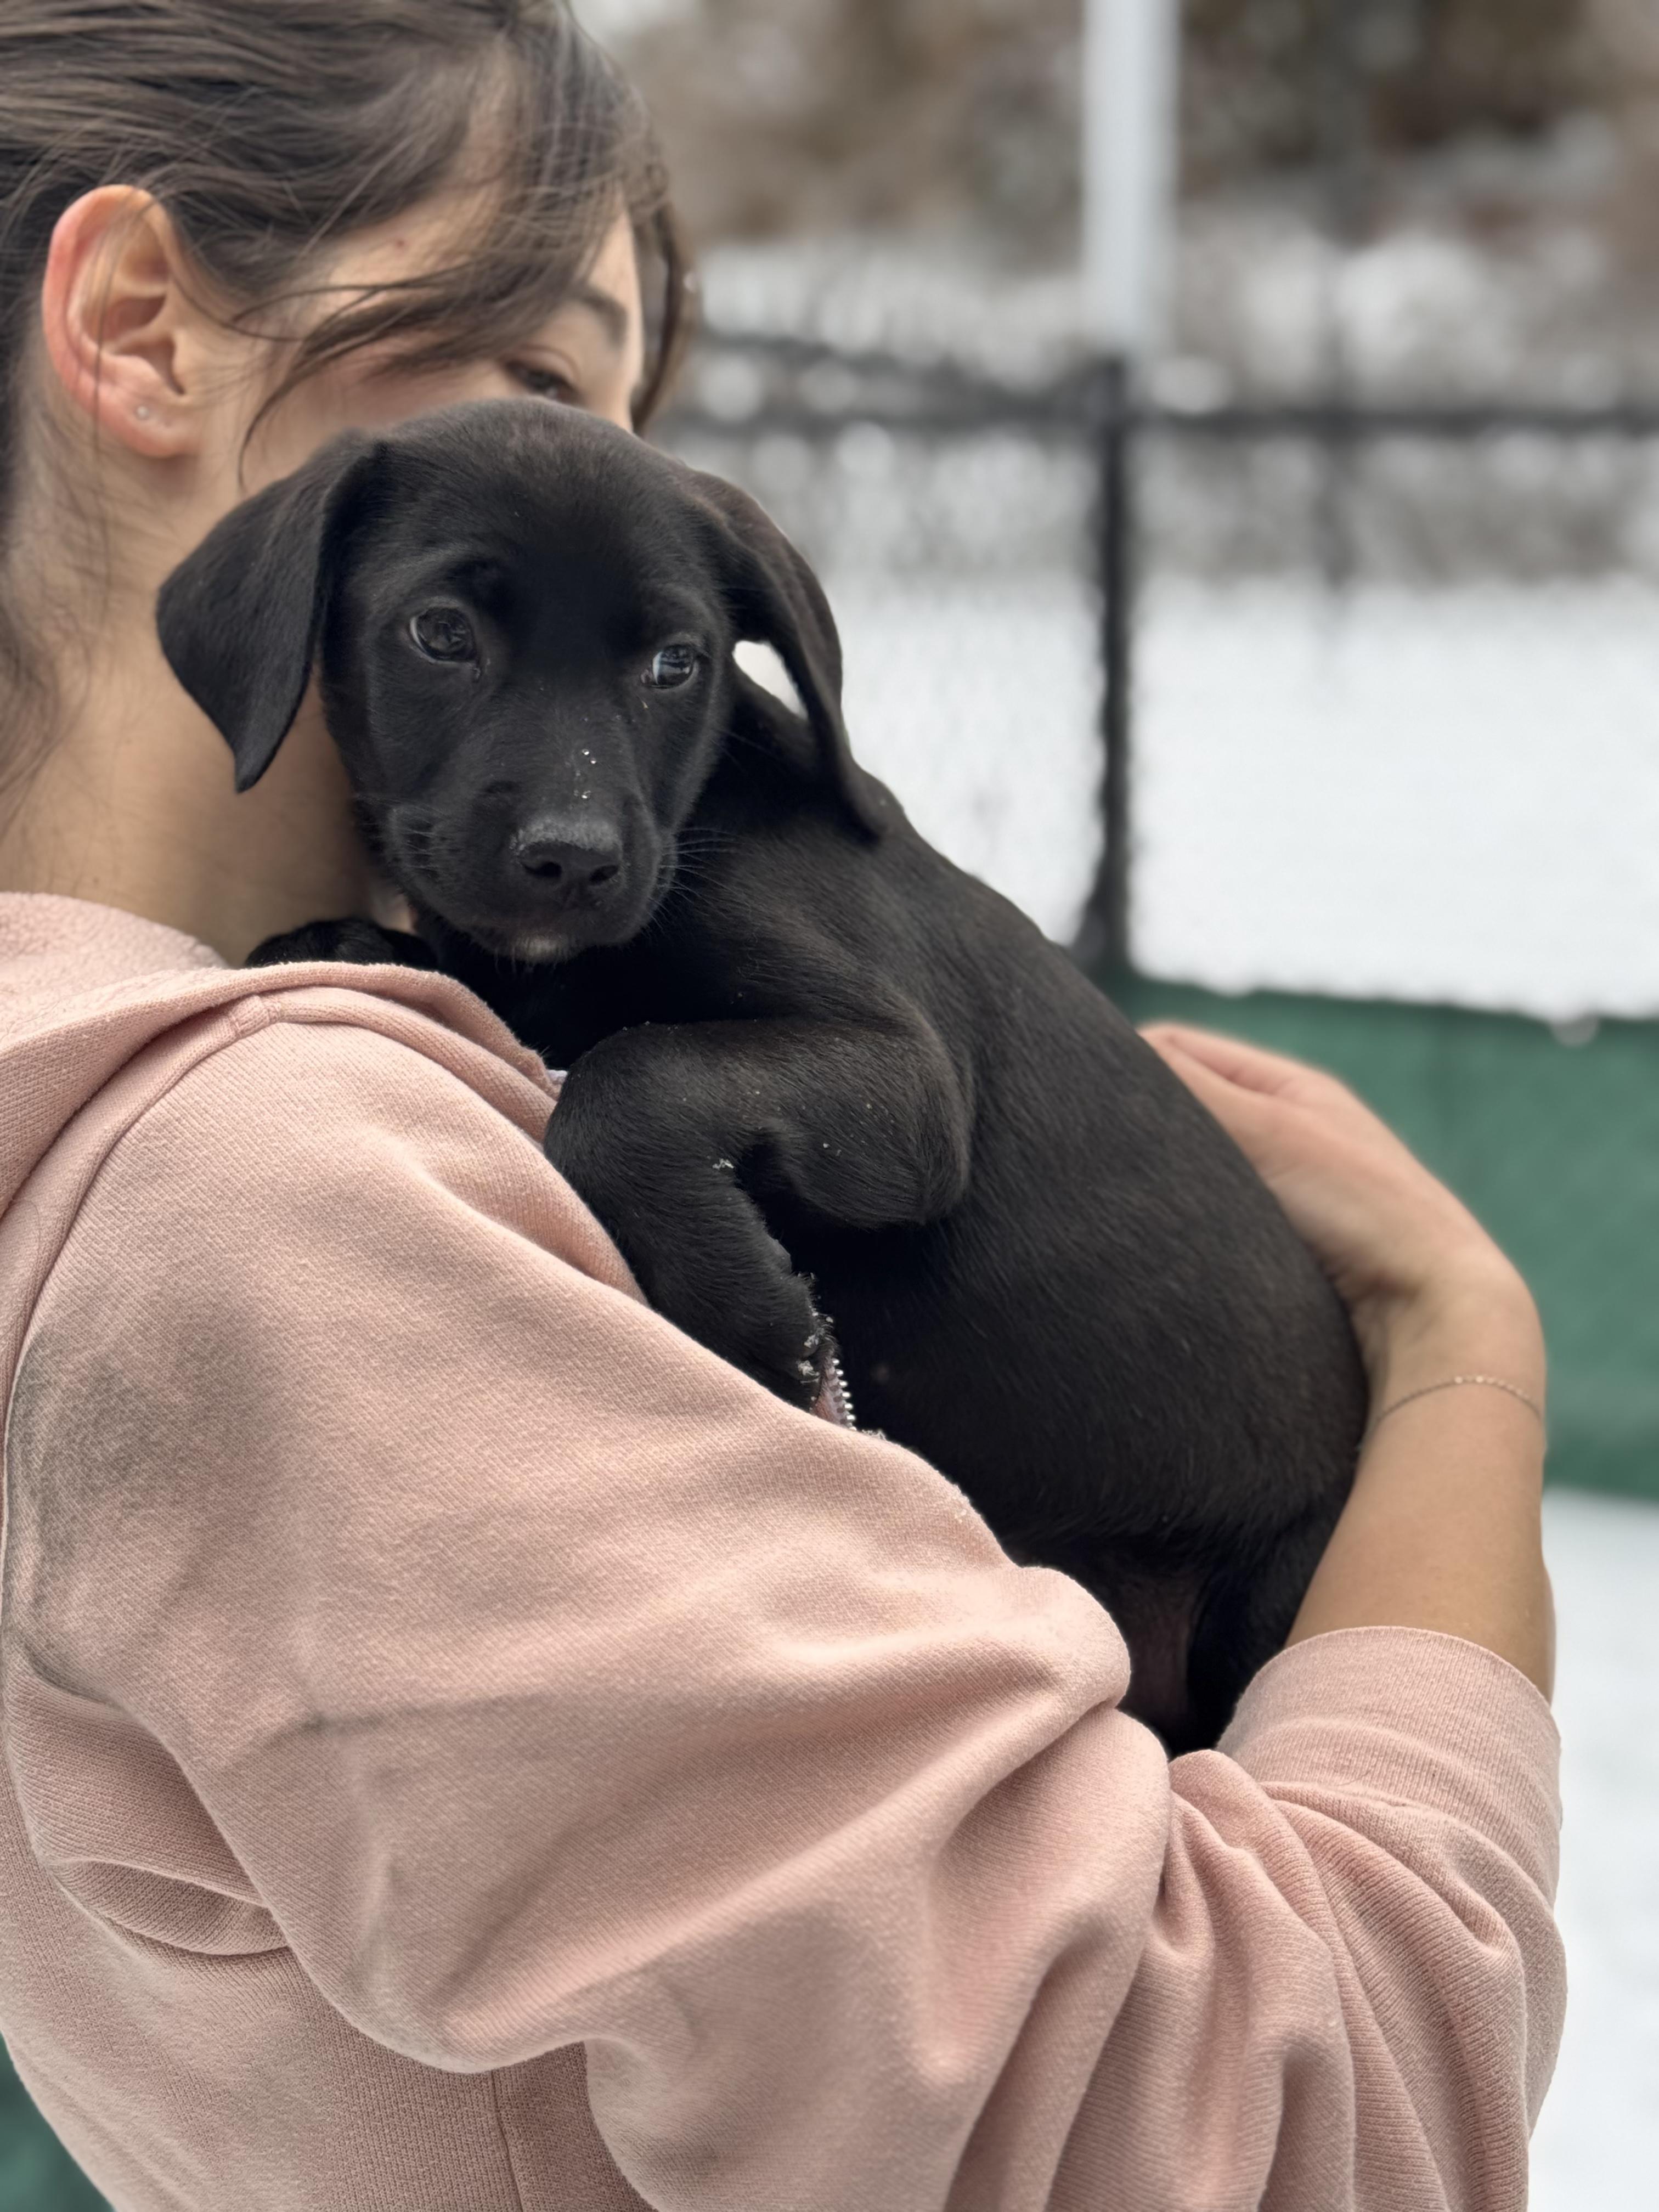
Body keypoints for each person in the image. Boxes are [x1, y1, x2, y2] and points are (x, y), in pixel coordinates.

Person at [0, 4, 1562, 2208]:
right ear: (142, 326)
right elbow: (1307, 2136)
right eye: (530, 375)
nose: (587, 468)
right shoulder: (281, 1204)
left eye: (632, 422)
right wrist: (1470, 1371)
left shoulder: (118, 1123)